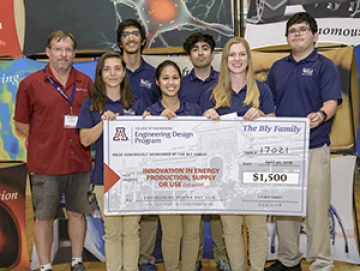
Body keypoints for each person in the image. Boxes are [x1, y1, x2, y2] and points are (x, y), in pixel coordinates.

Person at [265, 12, 342, 271]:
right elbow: (270, 104)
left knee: (317, 208)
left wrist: (321, 115)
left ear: (315, 35)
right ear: (287, 38)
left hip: (314, 147)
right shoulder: (278, 67)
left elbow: (332, 102)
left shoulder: (325, 66)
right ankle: (289, 260)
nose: (297, 34)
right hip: (284, 149)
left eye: (302, 30)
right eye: (292, 31)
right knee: (285, 207)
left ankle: (321, 262)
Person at [13, 30, 94, 271]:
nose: (63, 54)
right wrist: (44, 140)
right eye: (58, 49)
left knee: (78, 214)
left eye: (68, 49)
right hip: (45, 164)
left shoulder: (85, 83)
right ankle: (46, 265)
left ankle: (77, 262)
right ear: (48, 52)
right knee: (44, 217)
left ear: (74, 53)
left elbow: (90, 119)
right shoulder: (30, 84)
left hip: (79, 163)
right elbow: (20, 122)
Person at [201, 36, 275, 271]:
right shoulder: (211, 93)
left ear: (248, 58)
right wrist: (207, 119)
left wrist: (262, 116)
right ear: (225, 60)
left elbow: (275, 127)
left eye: (241, 54)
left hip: (255, 171)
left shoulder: (262, 90)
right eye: (232, 55)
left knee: (256, 228)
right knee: (230, 229)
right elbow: (200, 135)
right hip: (225, 174)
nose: (237, 59)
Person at [77, 52, 144, 271]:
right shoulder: (91, 104)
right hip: (104, 179)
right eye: (107, 69)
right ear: (101, 74)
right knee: (113, 232)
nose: (113, 73)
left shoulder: (137, 104)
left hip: (133, 179)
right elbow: (85, 140)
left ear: (124, 73)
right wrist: (103, 123)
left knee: (132, 232)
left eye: (117, 68)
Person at [143, 60, 202, 271]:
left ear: (181, 81)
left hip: (193, 182)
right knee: (171, 234)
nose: (171, 82)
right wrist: (152, 123)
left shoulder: (194, 110)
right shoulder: (150, 113)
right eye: (165, 78)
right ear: (157, 82)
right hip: (164, 183)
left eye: (175, 78)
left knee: (192, 233)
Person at [182, 32, 230, 271]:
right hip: (190, 156)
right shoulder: (180, 84)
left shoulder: (225, 82)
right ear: (189, 55)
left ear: (213, 53)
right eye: (195, 49)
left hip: (218, 154)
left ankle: (222, 256)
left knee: (219, 208)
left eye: (205, 48)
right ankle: (195, 257)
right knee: (194, 212)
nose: (200, 53)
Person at [116, 18, 158, 271]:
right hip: (118, 151)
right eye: (126, 34)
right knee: (120, 205)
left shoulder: (153, 74)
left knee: (148, 205)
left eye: (135, 34)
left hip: (148, 152)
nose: (131, 38)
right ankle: (123, 259)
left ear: (143, 40)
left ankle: (145, 258)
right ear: (120, 40)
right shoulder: (109, 69)